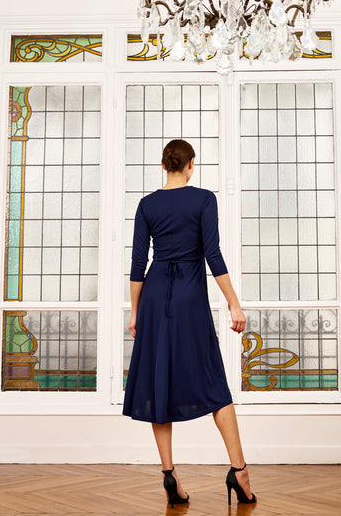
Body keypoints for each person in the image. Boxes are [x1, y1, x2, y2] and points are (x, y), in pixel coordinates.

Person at [122, 138, 256, 508]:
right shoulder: (203, 199)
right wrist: (234, 304)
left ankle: (169, 475)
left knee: (157, 382)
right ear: (190, 165)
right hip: (188, 297)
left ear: (165, 166)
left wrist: (135, 312)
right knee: (213, 379)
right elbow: (212, 253)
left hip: (154, 294)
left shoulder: (147, 205)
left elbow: (137, 264)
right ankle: (239, 470)